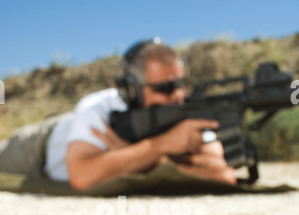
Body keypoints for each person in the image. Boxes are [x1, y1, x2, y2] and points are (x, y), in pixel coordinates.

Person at [0, 39, 236, 188]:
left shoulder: (183, 113)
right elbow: (82, 176)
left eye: (180, 84)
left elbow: (223, 174)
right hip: (35, 147)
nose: (177, 95)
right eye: (164, 88)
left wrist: (142, 157)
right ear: (132, 90)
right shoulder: (99, 108)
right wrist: (161, 146)